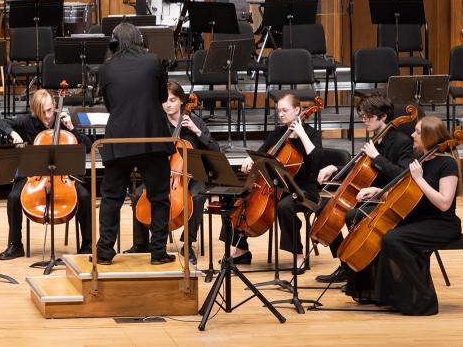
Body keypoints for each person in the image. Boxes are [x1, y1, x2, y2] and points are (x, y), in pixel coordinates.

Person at [344, 116, 462, 316]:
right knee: (377, 227)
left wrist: (419, 178)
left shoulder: (446, 164)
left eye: (417, 132)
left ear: (430, 136)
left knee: (393, 238)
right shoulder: (421, 160)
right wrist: (377, 191)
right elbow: (408, 193)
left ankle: (423, 301)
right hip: (419, 218)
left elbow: (444, 203)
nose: (412, 135)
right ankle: (382, 293)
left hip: (441, 224)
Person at [313, 95, 415, 283]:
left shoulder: (402, 142)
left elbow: (403, 175)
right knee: (323, 208)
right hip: (367, 194)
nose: (364, 121)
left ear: (383, 116)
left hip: (388, 197)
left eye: (368, 117)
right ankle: (345, 265)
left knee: (352, 215)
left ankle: (361, 268)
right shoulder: (375, 139)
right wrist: (335, 168)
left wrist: (377, 157)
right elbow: (360, 169)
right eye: (362, 117)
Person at [96, 22, 174, 265]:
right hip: (152, 137)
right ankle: (158, 252)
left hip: (119, 138)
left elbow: (110, 104)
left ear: (115, 41)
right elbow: (162, 96)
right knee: (159, 197)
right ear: (139, 39)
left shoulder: (106, 68)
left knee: (111, 198)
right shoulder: (153, 61)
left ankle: (105, 252)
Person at [0, 89, 93, 259]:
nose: (47, 116)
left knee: (84, 196)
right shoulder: (27, 121)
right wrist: (13, 133)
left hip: (63, 176)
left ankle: (87, 244)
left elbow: (88, 146)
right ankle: (15, 245)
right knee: (13, 198)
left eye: (49, 110)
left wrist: (72, 128)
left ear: (54, 105)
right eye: (43, 112)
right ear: (35, 111)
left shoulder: (63, 122)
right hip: (33, 175)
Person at [127, 81, 220, 264]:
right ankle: (142, 244)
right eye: (164, 101)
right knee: (138, 195)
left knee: (198, 196)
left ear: (182, 101)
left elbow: (215, 151)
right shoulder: (158, 123)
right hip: (162, 174)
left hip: (189, 176)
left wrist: (196, 131)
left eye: (172, 100)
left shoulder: (196, 122)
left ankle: (188, 244)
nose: (168, 104)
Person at [230, 93, 322, 270]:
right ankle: (241, 250)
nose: (281, 114)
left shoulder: (311, 133)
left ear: (297, 110)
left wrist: (301, 134)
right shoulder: (279, 133)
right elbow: (263, 152)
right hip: (276, 187)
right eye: (278, 111)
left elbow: (317, 159)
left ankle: (299, 254)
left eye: (285, 110)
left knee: (285, 206)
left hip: (303, 189)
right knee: (239, 197)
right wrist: (251, 160)